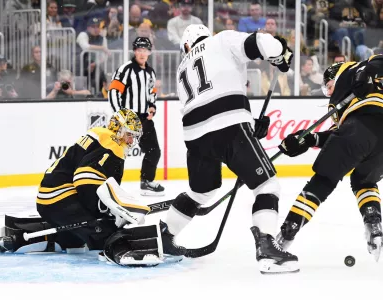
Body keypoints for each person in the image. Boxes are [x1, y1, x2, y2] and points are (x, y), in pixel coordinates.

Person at [106, 25, 298, 273]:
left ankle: (165, 236)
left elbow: (208, 99)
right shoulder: (222, 40)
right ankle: (267, 248)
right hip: (229, 127)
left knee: (201, 192)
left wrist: (248, 123)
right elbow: (264, 43)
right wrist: (280, 53)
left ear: (186, 45)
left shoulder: (183, 66)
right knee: (267, 186)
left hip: (195, 137)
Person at [0, 109, 158, 263]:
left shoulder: (101, 136)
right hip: (61, 198)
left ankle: (19, 238)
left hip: (49, 198)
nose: (131, 141)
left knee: (75, 239)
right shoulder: (112, 144)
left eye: (134, 136)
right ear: (118, 130)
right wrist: (108, 212)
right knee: (104, 231)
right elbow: (84, 178)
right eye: (129, 135)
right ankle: (123, 253)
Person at [276, 57, 383, 261]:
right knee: (364, 181)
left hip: (363, 124)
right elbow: (339, 138)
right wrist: (309, 140)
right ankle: (374, 225)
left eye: (329, 86)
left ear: (336, 75)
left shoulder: (354, 70)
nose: (329, 92)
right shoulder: (343, 102)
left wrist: (366, 74)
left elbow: (378, 60)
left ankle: (287, 232)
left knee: (324, 179)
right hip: (373, 138)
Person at [108, 37, 165, 196]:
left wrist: (152, 107)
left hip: (144, 118)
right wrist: (120, 115)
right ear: (134, 51)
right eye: (139, 50)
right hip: (127, 118)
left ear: (149, 52)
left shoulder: (150, 72)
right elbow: (114, 91)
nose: (142, 53)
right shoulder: (126, 69)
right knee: (117, 152)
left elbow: (152, 92)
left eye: (145, 50)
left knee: (154, 150)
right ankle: (110, 184)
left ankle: (146, 182)